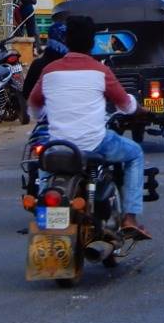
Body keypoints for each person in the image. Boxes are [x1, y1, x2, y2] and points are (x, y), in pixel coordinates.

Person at [28, 14, 151, 241]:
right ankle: (130, 218)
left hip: (58, 147)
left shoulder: (49, 70)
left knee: (45, 170)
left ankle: (44, 210)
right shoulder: (100, 71)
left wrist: (41, 114)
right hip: (94, 144)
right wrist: (139, 109)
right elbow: (125, 105)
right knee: (135, 153)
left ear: (67, 41)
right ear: (92, 42)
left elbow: (34, 105)